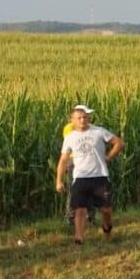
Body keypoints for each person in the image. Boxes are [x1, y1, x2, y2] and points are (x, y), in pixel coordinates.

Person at [55, 104, 125, 245]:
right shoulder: (70, 137)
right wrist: (59, 181)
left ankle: (107, 227)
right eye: (79, 118)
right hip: (80, 177)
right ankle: (79, 239)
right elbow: (63, 159)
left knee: (106, 209)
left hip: (100, 176)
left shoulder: (98, 131)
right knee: (80, 209)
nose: (82, 120)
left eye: (85, 117)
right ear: (72, 120)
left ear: (89, 118)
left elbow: (118, 143)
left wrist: (109, 157)